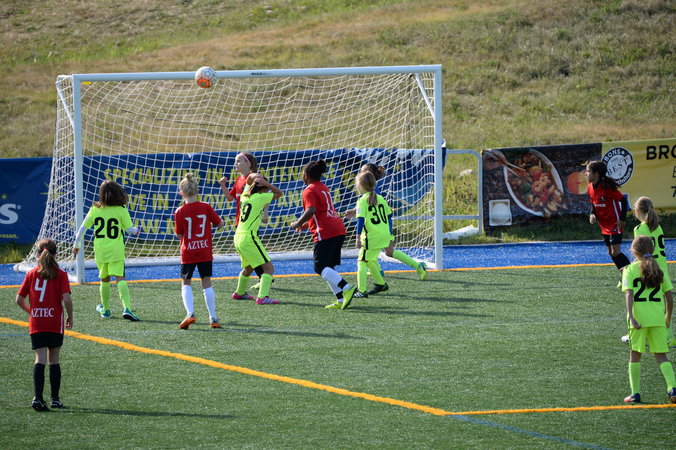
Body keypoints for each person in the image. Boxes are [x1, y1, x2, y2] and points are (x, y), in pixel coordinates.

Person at [344, 163, 427, 292]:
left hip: (380, 229)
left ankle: (417, 266)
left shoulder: (373, 193)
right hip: (381, 229)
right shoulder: (372, 191)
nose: (360, 173)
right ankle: (379, 275)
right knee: (381, 252)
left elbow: (370, 210)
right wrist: (354, 211)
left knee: (383, 252)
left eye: (363, 171)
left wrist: (388, 231)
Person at [15, 239, 73, 411]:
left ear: (37, 254)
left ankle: (38, 398)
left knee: (39, 359)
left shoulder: (31, 274)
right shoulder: (60, 274)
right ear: (56, 254)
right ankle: (55, 399)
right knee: (54, 359)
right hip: (54, 321)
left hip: (37, 322)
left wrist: (31, 311)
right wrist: (70, 316)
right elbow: (67, 299)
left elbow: (19, 299)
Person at [291, 160, 357, 309]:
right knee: (328, 267)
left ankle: (347, 288)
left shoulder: (309, 190)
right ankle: (340, 300)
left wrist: (297, 223)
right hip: (337, 228)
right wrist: (303, 225)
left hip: (326, 231)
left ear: (306, 175)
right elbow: (321, 213)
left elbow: (311, 210)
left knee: (319, 267)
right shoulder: (324, 188)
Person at [73, 180, 141, 321]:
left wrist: (77, 244)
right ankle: (127, 308)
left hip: (101, 251)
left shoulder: (95, 209)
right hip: (116, 250)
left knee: (104, 279)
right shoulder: (121, 210)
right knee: (120, 278)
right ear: (118, 193)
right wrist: (136, 230)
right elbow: (130, 230)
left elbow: (82, 228)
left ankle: (106, 309)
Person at [621, 235, 676, 404]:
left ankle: (635, 394)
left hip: (639, 320)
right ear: (652, 250)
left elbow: (629, 293)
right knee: (661, 355)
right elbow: (669, 297)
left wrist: (631, 316)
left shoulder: (630, 269)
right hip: (657, 319)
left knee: (635, 355)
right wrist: (667, 318)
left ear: (634, 251)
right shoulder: (659, 269)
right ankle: (672, 388)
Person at [174, 173, 225, 329]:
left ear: (181, 192)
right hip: (204, 250)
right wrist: (219, 224)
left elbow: (179, 234)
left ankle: (190, 313)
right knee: (206, 282)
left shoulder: (179, 211)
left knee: (186, 282)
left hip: (188, 252)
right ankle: (213, 318)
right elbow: (219, 224)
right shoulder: (206, 207)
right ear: (197, 191)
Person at [219, 152, 271, 292]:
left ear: (248, 163)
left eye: (238, 161)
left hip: (250, 222)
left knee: (252, 252)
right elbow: (230, 198)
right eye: (235, 161)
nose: (235, 164)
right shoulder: (238, 180)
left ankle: (264, 277)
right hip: (240, 221)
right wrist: (223, 185)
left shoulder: (254, 178)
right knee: (249, 254)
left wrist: (265, 213)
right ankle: (261, 277)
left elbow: (266, 195)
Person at [629, 196, 675, 347]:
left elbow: (640, 252)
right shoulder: (657, 227)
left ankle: (641, 333)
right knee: (661, 303)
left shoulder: (639, 229)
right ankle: (668, 336)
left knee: (644, 302)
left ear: (637, 211)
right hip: (662, 268)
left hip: (649, 268)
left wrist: (630, 269)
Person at [232, 173, 283, 304]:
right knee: (269, 268)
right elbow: (279, 193)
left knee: (249, 267)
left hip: (238, 236)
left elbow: (248, 181)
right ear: (263, 188)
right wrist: (266, 183)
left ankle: (239, 293)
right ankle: (262, 297)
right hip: (248, 237)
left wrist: (255, 177)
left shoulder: (245, 196)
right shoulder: (260, 197)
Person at [585, 161, 630, 276]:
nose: (585, 173)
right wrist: (592, 214)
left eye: (588, 171)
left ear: (596, 174)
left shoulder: (607, 187)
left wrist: (622, 219)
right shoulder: (590, 187)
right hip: (604, 225)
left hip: (615, 223)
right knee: (611, 252)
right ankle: (624, 275)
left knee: (616, 251)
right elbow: (593, 203)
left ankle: (632, 274)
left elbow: (623, 200)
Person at [353, 171, 393, 300]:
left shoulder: (362, 200)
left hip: (372, 237)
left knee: (362, 261)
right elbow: (389, 216)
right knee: (370, 260)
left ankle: (362, 290)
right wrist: (390, 234)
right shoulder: (380, 198)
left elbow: (360, 221)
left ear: (360, 185)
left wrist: (358, 238)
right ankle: (381, 284)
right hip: (384, 235)